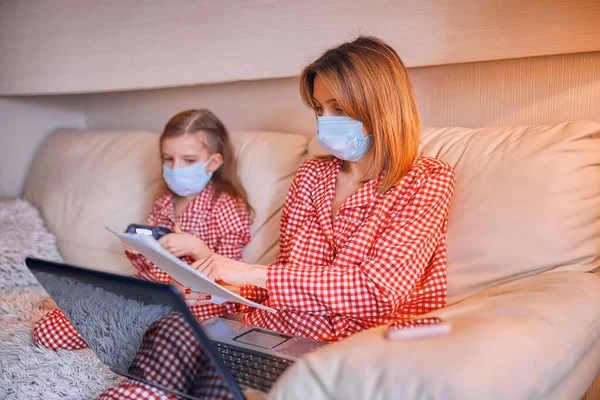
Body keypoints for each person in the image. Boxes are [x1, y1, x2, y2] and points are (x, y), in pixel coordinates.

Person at [100, 35, 457, 399]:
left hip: (355, 351)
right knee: (170, 341)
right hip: (278, 335)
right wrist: (222, 293)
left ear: (380, 106)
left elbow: (377, 292)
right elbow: (286, 275)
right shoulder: (311, 176)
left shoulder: (427, 179)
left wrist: (248, 272)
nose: (324, 122)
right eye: (319, 109)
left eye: (338, 108)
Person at [33, 109, 252, 351]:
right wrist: (137, 250)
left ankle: (111, 322)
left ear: (213, 162)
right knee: (48, 329)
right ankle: (92, 309)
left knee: (157, 332)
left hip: (191, 306)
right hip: (148, 293)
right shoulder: (165, 200)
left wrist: (197, 249)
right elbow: (149, 267)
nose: (176, 168)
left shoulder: (227, 206)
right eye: (168, 159)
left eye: (188, 160)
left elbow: (233, 282)